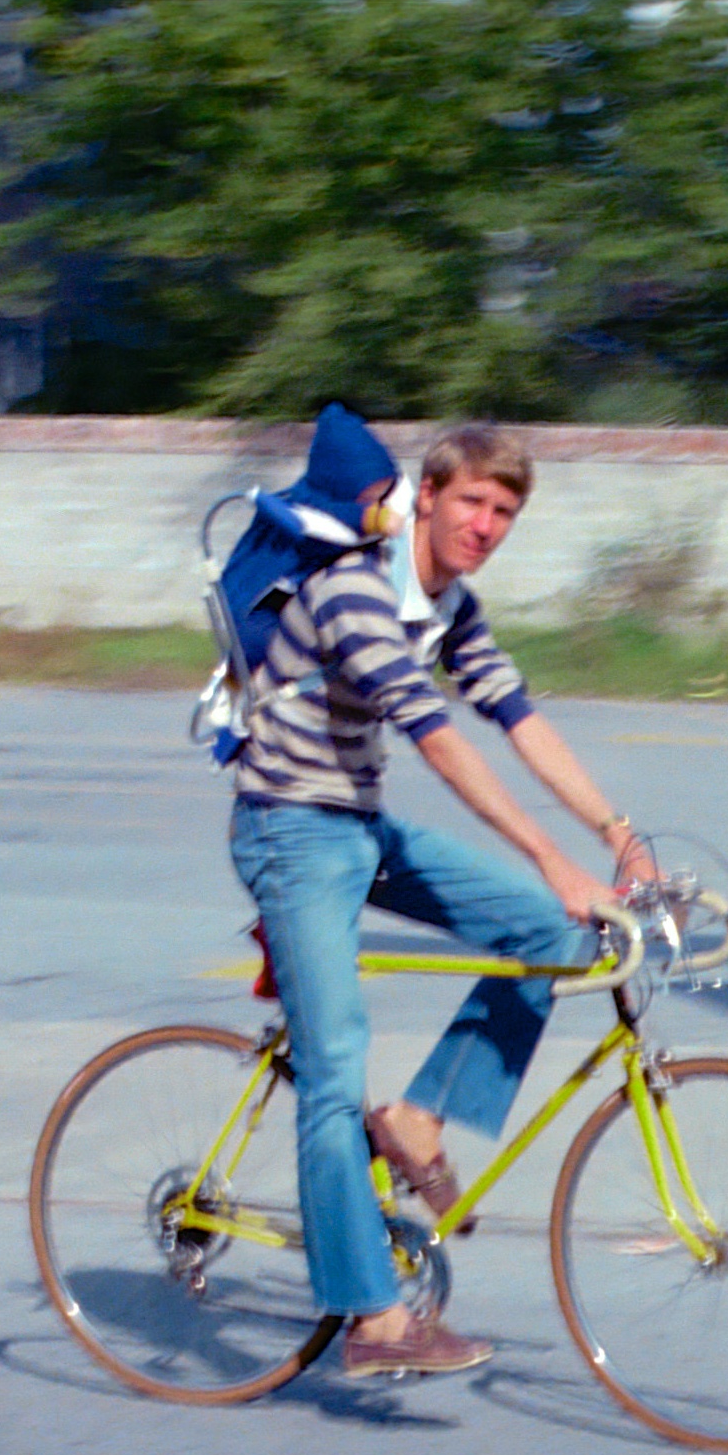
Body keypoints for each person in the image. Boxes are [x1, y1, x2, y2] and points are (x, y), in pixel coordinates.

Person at [227, 417, 644, 1378]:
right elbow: (438, 739)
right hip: (288, 830)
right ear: (428, 497)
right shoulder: (353, 589)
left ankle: (418, 1122)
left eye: (505, 512)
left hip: (358, 828)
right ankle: (373, 1323)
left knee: (547, 932)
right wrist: (552, 857)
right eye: (472, 502)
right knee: (334, 1068)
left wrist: (616, 835)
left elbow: (516, 717)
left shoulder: (450, 606)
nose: (486, 525)